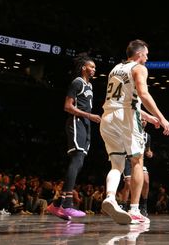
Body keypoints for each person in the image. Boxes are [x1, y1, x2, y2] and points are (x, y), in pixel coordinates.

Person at [100, 39, 169, 225]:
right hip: (126, 119)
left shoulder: (115, 69)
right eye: (146, 54)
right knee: (137, 160)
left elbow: (124, 101)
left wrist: (149, 118)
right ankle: (134, 210)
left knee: (116, 164)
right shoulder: (139, 68)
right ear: (139, 54)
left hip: (107, 117)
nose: (147, 58)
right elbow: (143, 94)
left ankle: (109, 197)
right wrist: (162, 118)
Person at [48, 55, 102, 221]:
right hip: (76, 121)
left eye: (94, 67)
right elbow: (67, 106)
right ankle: (67, 204)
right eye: (91, 66)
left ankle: (56, 204)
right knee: (76, 160)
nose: (94, 69)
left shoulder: (90, 85)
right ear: (83, 67)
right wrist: (88, 115)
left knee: (79, 163)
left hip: (86, 124)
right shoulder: (77, 82)